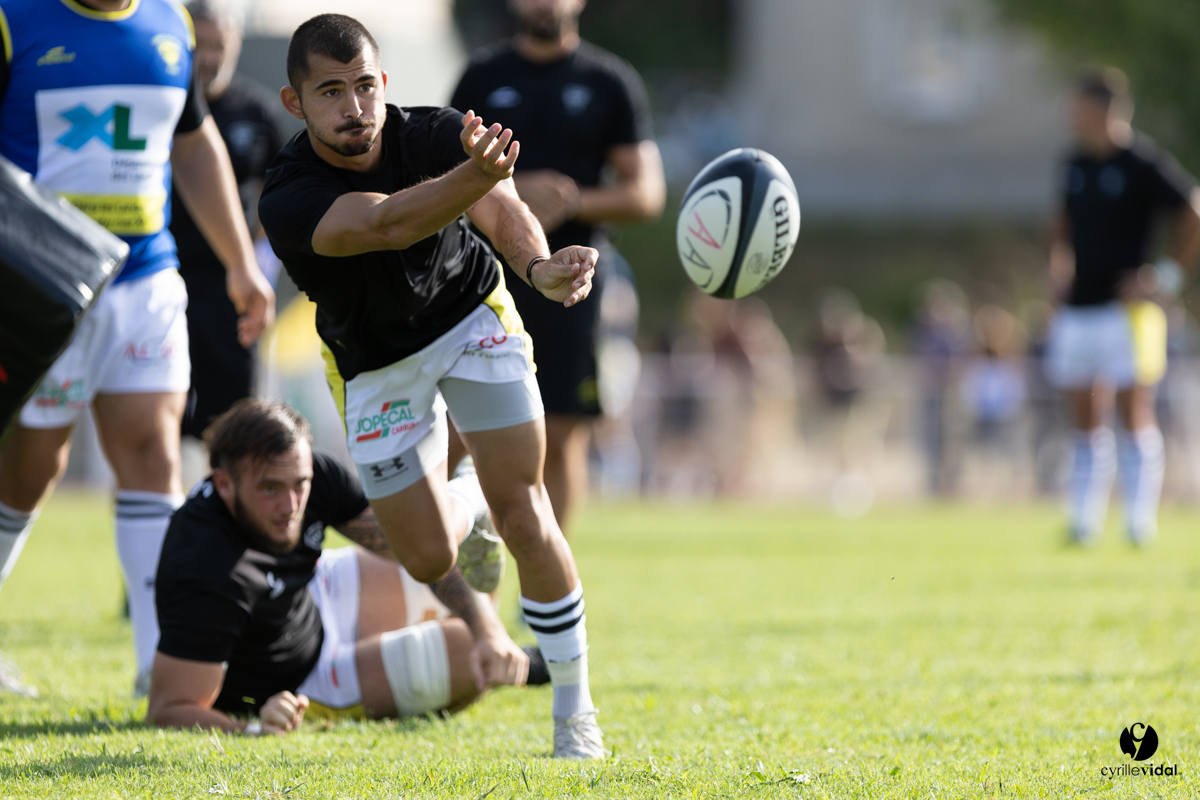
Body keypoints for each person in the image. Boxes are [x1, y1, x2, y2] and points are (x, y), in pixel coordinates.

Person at [257, 15, 604, 758]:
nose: (354, 107)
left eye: (363, 87)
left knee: (528, 510)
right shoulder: (286, 194)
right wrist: (475, 176)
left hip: (471, 316)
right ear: (296, 104)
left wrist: (537, 266)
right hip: (375, 362)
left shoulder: (435, 132)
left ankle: (575, 714)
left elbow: (497, 206)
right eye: (330, 93)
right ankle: (471, 496)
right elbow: (385, 225)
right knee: (422, 557)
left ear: (384, 83)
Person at [0, 0, 275, 696]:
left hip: (146, 281)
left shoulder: (171, 23)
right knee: (30, 469)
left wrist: (241, 263)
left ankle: (162, 665)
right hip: (43, 286)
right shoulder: (13, 18)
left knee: (154, 454)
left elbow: (193, 143)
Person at [147, 400, 536, 733]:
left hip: (313, 593)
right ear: (224, 484)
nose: (290, 506)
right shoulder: (206, 573)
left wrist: (487, 629)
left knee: (461, 586)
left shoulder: (305, 474)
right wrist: (253, 726)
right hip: (303, 677)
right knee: (467, 651)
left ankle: (506, 640)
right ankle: (527, 662)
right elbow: (169, 708)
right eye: (270, 489)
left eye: (299, 484)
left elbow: (415, 551)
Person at [450, 0, 665, 534]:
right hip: (485, 273)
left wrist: (571, 202)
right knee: (460, 428)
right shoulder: (481, 76)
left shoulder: (609, 80)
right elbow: (443, 172)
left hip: (577, 280)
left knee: (563, 429)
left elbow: (646, 193)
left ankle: (549, 584)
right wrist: (515, 198)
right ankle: (457, 566)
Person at [1046, 67, 1200, 545]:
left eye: (1079, 106)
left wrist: (1165, 277)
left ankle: (1138, 522)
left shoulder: (1142, 163)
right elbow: (1061, 223)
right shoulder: (1073, 163)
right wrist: (1056, 267)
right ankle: (1084, 521)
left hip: (1129, 311)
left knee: (1134, 409)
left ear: (1103, 110)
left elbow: (1193, 211)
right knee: (1083, 413)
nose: (1072, 115)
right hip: (1079, 308)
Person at [172, 0, 286, 441]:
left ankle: (231, 499)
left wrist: (258, 260)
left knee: (235, 409)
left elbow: (281, 197)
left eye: (219, 45)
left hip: (231, 282)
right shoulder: (166, 104)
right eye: (199, 46)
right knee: (167, 402)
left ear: (235, 42)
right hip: (167, 271)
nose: (210, 58)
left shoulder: (256, 110)